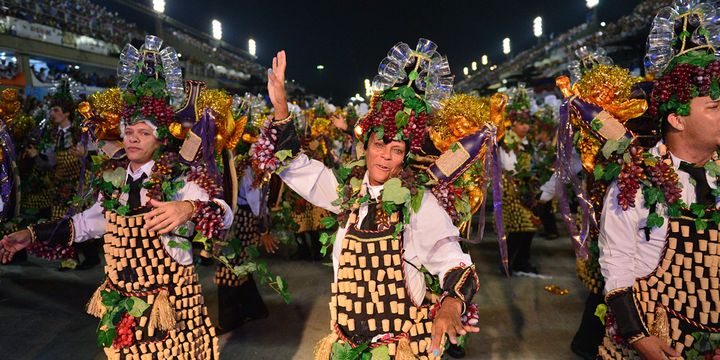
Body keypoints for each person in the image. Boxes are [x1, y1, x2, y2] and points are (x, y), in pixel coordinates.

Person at [0, 35, 233, 359]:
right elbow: (86, 224)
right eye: (129, 131)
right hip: (122, 304)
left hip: (170, 307)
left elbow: (223, 212)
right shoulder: (113, 182)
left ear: (161, 138)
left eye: (144, 132)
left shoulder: (179, 181)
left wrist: (189, 208)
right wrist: (32, 234)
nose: (134, 138)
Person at [254, 41, 482, 359]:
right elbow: (296, 168)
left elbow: (454, 262)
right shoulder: (346, 195)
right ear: (367, 144)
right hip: (347, 345)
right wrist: (281, 108)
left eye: (396, 150)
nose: (385, 158)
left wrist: (452, 303)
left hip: (398, 349)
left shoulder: (419, 204)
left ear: (406, 156)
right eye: (380, 145)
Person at [597, 3, 720, 358]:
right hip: (657, 336)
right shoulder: (636, 183)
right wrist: (639, 337)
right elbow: (616, 267)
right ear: (678, 121)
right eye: (714, 107)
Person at [499, 84, 541, 276]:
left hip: (526, 188)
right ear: (513, 124)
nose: (526, 126)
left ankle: (520, 260)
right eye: (522, 123)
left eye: (527, 123)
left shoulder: (527, 143)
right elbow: (509, 168)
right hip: (511, 189)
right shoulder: (507, 142)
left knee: (528, 226)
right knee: (517, 228)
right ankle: (510, 262)